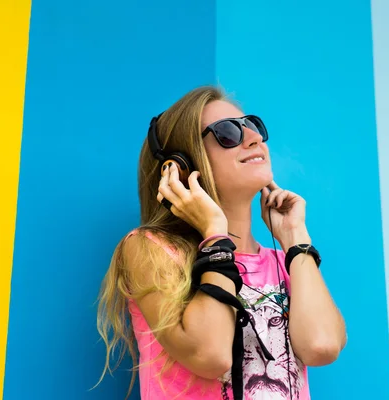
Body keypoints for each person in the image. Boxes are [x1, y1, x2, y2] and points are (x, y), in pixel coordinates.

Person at [96, 86, 347, 400]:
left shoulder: (284, 262)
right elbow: (210, 354)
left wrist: (296, 241)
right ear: (181, 166)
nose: (254, 138)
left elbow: (321, 346)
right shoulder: (150, 249)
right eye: (228, 133)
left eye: (252, 125)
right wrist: (216, 233)